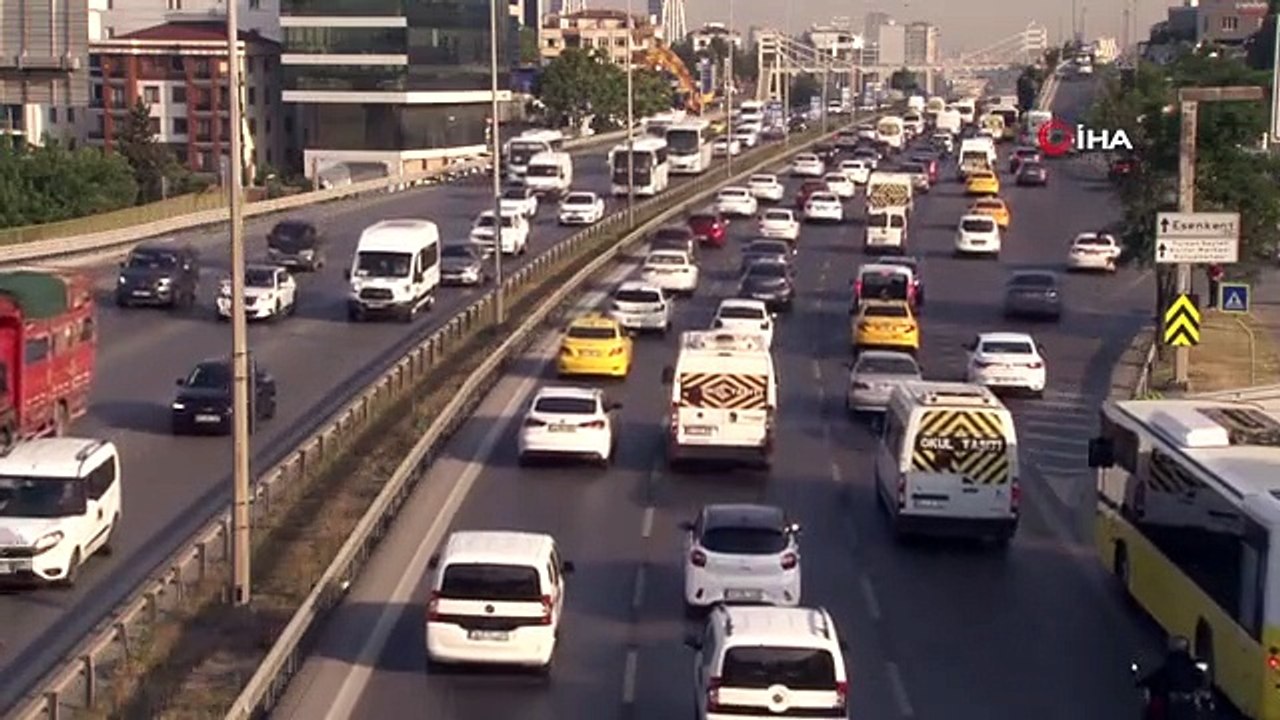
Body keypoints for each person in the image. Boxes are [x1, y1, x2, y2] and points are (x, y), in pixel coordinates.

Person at [1136, 636, 1204, 719]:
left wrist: (1142, 682)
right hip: (1189, 706)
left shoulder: (1171, 664)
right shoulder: (1192, 666)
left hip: (1173, 706)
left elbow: (1157, 677)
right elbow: (1200, 680)